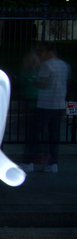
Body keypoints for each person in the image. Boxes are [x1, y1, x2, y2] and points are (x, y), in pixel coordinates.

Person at [20, 42, 70, 173]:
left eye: (41, 51)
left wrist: (33, 82)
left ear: (49, 51)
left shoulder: (46, 65)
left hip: (45, 105)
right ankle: (53, 164)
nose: (38, 55)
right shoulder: (64, 65)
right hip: (59, 104)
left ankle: (28, 162)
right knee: (54, 136)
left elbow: (43, 84)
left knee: (33, 134)